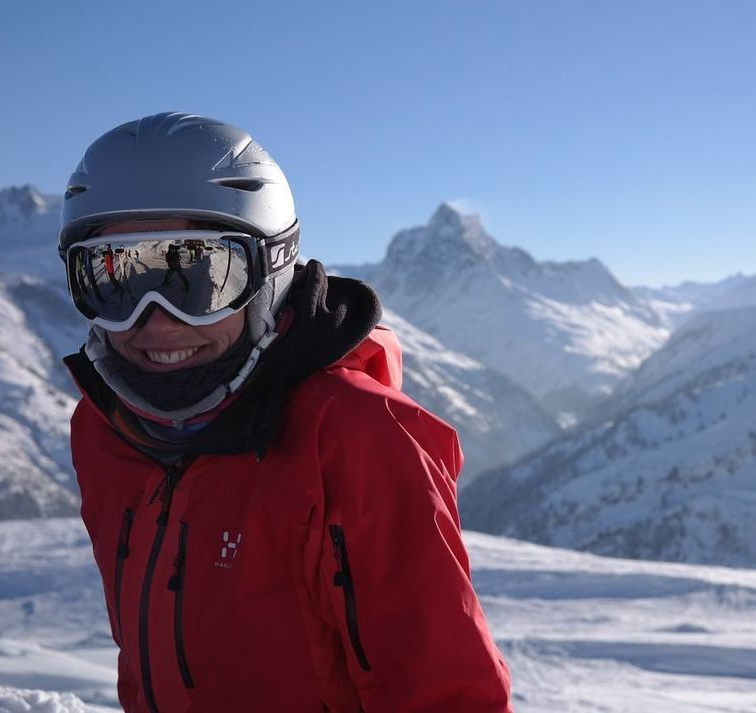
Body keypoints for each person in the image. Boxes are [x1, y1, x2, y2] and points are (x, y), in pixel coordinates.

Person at [58, 112, 512, 713]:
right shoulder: (106, 432)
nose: (154, 319)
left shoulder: (355, 440)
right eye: (111, 278)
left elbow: (446, 695)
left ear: (270, 272)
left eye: (196, 274)